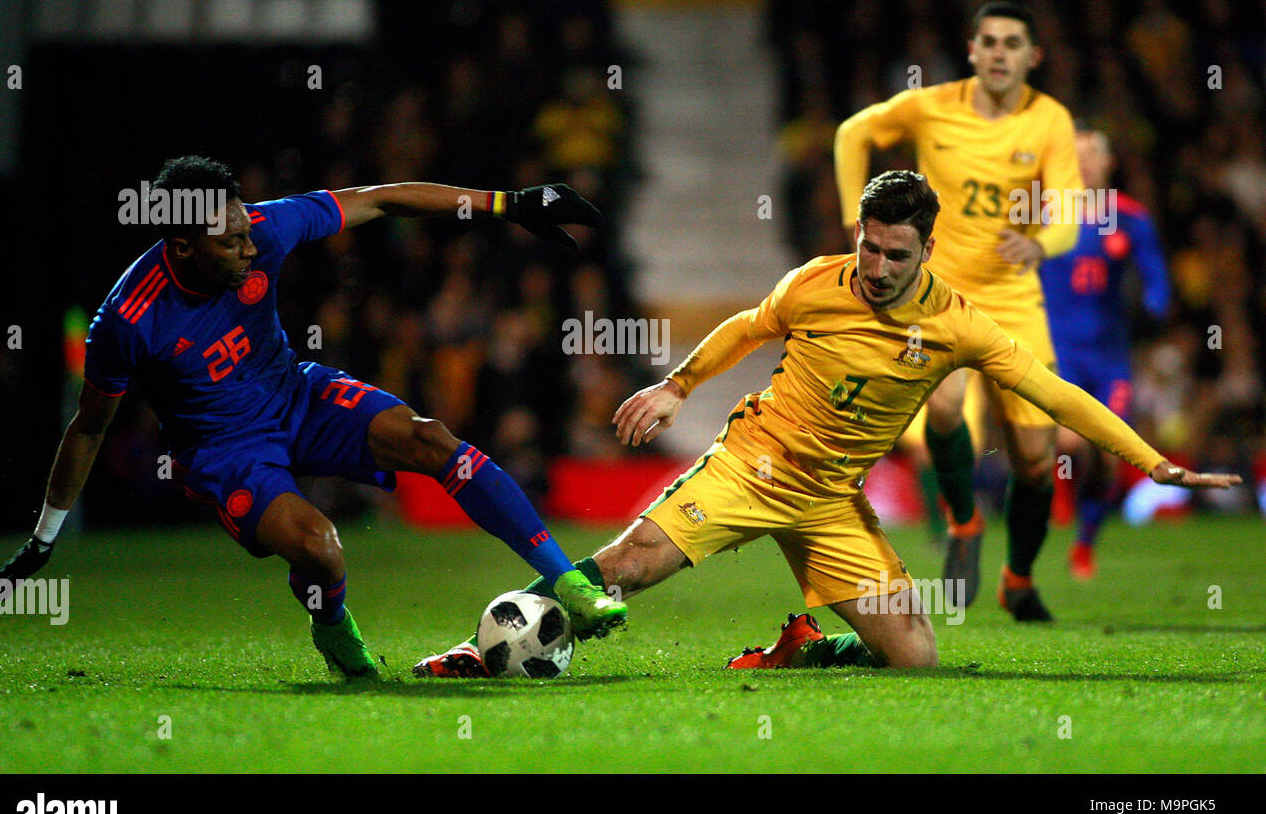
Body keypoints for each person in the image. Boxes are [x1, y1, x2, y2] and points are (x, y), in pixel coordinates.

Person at [414, 170, 1238, 676]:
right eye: (868, 246)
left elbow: (1057, 395)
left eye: (894, 254)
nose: (874, 268)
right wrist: (678, 384)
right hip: (754, 463)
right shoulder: (819, 281)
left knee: (915, 658)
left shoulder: (960, 324)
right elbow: (748, 325)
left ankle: (806, 645)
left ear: (928, 249)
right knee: (626, 565)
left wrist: (1152, 461)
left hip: (832, 499)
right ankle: (478, 647)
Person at [0, 156, 626, 678]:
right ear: (181, 246)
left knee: (430, 440)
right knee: (322, 550)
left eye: (246, 227)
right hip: (226, 451)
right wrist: (45, 536)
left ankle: (565, 580)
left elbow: (381, 199)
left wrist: (507, 204)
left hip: (297, 394)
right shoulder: (127, 321)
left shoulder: (263, 227)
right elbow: (90, 427)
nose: (249, 244)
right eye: (230, 240)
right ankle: (333, 629)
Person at [834, 0, 1084, 620]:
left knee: (1034, 459)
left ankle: (1018, 578)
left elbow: (1072, 213)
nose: (1000, 52)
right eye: (989, 42)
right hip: (937, 295)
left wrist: (1040, 241)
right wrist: (853, 222)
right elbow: (851, 133)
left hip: (1014, 298)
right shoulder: (930, 105)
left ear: (1033, 57)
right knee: (944, 408)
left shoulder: (1049, 121)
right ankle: (965, 524)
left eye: (1012, 43)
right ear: (972, 51)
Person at [1040, 127, 1172, 580]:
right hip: (1060, 354)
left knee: (1107, 452)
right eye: (1075, 154)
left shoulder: (1130, 217)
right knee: (1071, 440)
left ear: (1108, 163)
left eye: (1093, 154)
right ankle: (1058, 495)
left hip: (1111, 356)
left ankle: (1084, 542)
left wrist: (1155, 305)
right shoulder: (1040, 215)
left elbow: (1157, 277)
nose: (1085, 162)